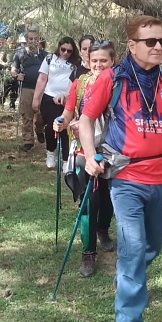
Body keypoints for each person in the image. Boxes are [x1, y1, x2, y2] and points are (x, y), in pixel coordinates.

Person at [78, 15, 162, 322]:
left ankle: (126, 278)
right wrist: (89, 155)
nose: (158, 47)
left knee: (150, 247)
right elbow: (86, 119)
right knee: (134, 248)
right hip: (126, 178)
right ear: (132, 45)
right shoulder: (111, 78)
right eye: (150, 41)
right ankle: (129, 314)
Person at [53, 39, 116, 277]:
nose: (98, 65)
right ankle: (88, 253)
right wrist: (61, 123)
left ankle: (103, 230)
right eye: (94, 61)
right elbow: (68, 113)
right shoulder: (79, 84)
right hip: (82, 151)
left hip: (112, 152)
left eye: (104, 61)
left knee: (109, 200)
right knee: (89, 203)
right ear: (88, 61)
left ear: (112, 61)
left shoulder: (119, 85)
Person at [32, 36, 80, 168]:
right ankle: (50, 152)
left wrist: (67, 96)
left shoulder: (76, 63)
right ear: (59, 47)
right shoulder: (49, 59)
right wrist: (36, 98)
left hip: (67, 98)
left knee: (65, 128)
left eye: (69, 51)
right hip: (49, 97)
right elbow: (42, 79)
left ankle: (65, 160)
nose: (65, 53)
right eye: (63, 49)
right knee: (51, 127)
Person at [11, 25, 47, 151]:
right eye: (30, 39)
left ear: (39, 39)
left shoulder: (45, 55)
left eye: (35, 39)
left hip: (42, 89)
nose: (33, 41)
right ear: (26, 39)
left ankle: (39, 129)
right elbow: (13, 70)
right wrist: (17, 76)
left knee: (42, 114)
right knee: (26, 115)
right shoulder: (20, 53)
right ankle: (28, 141)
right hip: (26, 87)